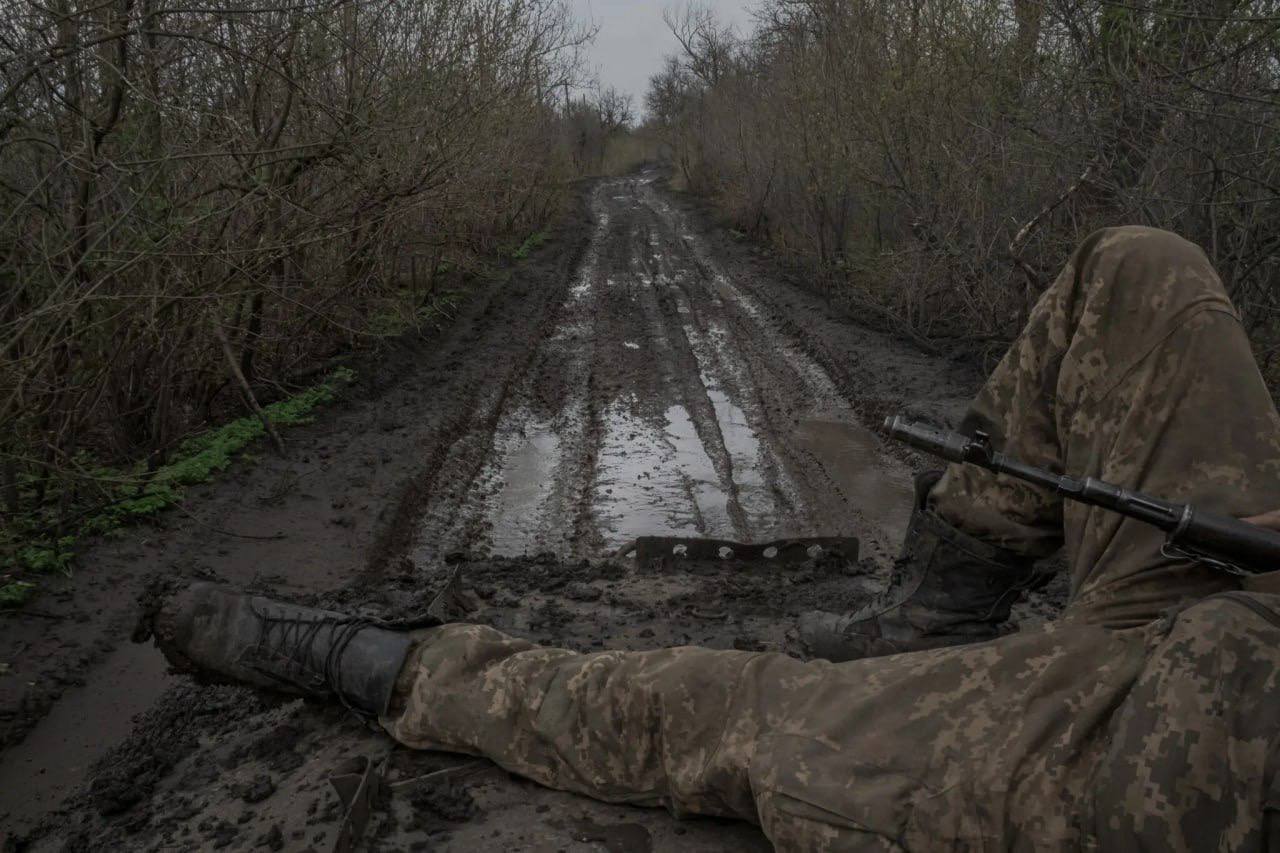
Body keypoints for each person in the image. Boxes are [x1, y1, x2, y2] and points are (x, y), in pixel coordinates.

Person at [149, 227, 1280, 850]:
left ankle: (394, 670)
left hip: (1186, 757)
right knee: (1139, 267)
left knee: (723, 707)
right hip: (1240, 598)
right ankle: (932, 620)